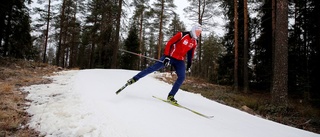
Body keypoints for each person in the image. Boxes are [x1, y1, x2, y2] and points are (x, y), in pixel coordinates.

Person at [126, 23, 202, 104]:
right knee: (153, 68)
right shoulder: (182, 35)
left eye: (200, 32)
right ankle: (134, 79)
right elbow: (169, 43)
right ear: (194, 30)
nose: (199, 34)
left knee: (182, 77)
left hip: (179, 60)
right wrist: (167, 57)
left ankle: (171, 96)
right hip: (170, 56)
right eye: (198, 32)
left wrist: (189, 63)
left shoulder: (195, 41)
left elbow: (191, 53)